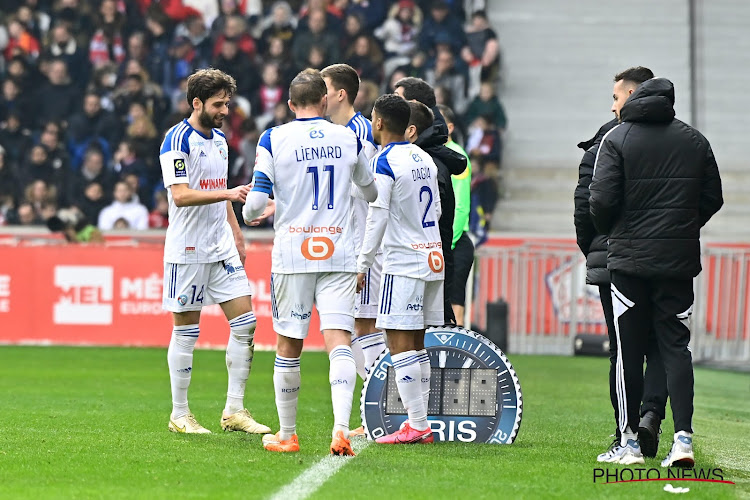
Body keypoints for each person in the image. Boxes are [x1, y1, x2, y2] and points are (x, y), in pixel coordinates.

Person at [589, 72, 723, 466]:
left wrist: (614, 232)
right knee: (676, 348)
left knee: (627, 352)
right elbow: (712, 198)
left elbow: (600, 200)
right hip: (677, 262)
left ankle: (628, 442)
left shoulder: (617, 138)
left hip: (629, 263)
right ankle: (682, 441)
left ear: (633, 100)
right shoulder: (695, 140)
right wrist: (681, 228)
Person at [242, 69, 377, 456]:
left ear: (289, 105)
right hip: (338, 250)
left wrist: (255, 212)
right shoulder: (348, 136)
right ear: (323, 101)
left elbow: (255, 202)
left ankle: (288, 435)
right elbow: (369, 189)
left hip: (293, 253)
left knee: (289, 345)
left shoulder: (274, 137)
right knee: (340, 341)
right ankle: (340, 431)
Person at [159, 68, 270, 436]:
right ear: (197, 103)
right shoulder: (176, 140)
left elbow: (220, 187)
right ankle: (180, 414)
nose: (225, 110)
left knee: (246, 323)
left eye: (227, 103)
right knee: (187, 332)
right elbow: (180, 195)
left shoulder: (221, 140)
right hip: (187, 249)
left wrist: (236, 235)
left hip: (220, 244)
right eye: (218, 104)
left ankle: (234, 410)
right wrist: (228, 194)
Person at [358, 94, 443, 445]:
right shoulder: (424, 156)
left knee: (398, 341)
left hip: (404, 261)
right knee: (417, 342)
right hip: (432, 256)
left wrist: (363, 263)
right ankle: (420, 421)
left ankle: (418, 424)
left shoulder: (384, 161)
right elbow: (435, 209)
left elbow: (376, 214)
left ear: (378, 122)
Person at [320, 63, 385, 394]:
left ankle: (384, 399)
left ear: (340, 94)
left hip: (364, 246)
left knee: (364, 324)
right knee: (346, 326)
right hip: (340, 245)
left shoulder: (362, 133)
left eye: (324, 88)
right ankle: (381, 399)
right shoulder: (331, 133)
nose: (319, 95)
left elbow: (373, 190)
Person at [394, 76, 467, 325]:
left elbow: (435, 215)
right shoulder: (434, 155)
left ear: (413, 106)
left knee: (416, 335)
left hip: (419, 258)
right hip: (432, 257)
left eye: (399, 101)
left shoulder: (421, 160)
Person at [437, 104, 474, 327]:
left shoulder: (457, 156)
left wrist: (447, 245)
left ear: (449, 127)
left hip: (453, 242)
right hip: (443, 241)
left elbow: (461, 206)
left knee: (453, 309)